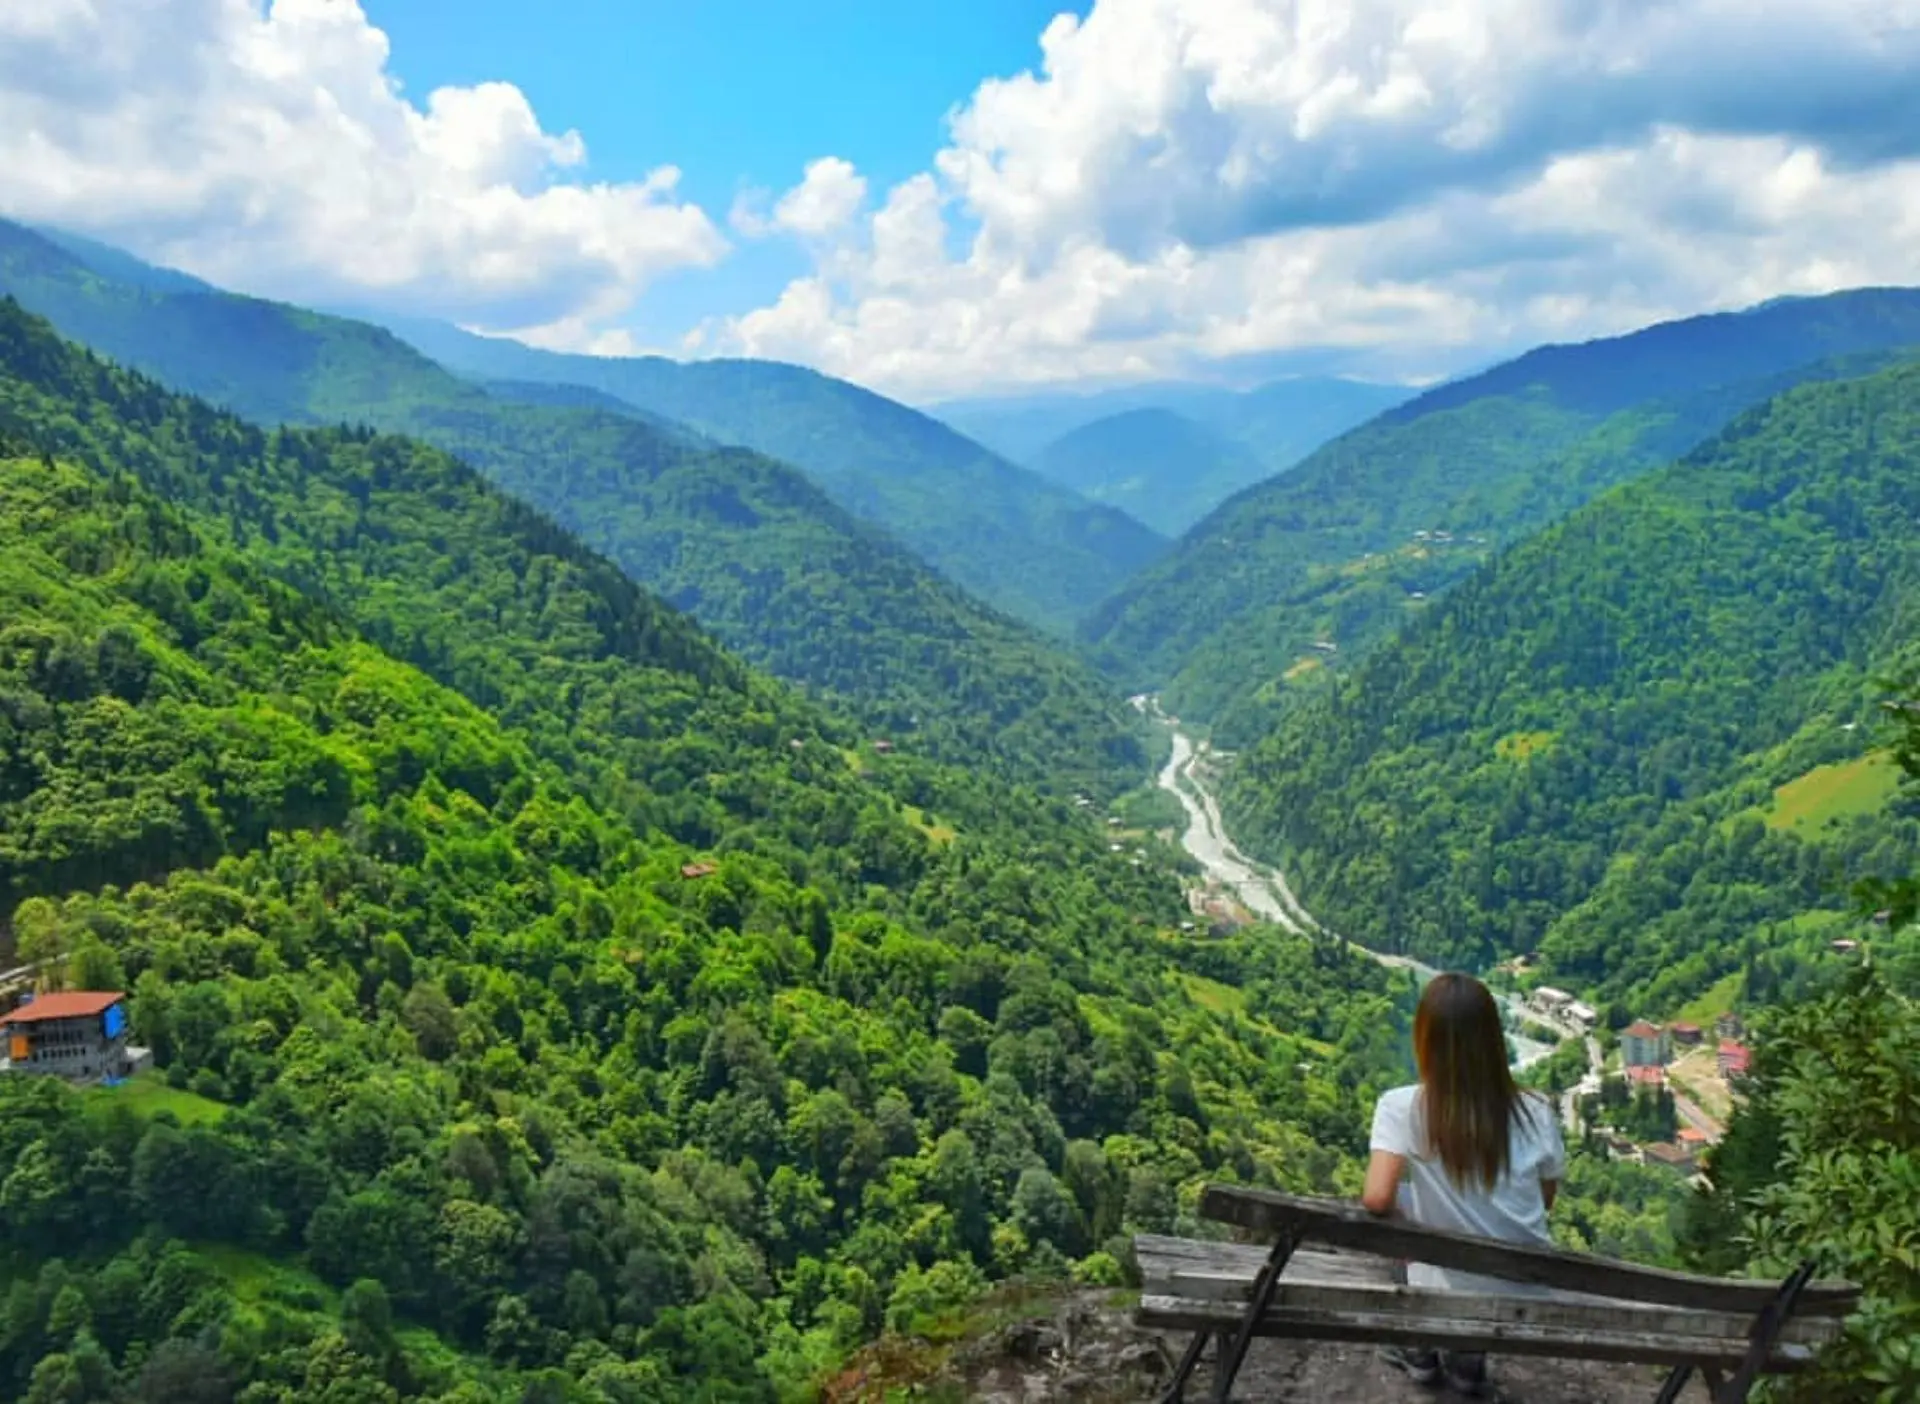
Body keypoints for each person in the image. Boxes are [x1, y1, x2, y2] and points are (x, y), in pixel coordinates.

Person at [1361, 972, 1566, 1397]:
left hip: (1448, 1280)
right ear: (1494, 1040)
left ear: (1426, 1039)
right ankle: (1468, 1365)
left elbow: (1376, 1199)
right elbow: (1542, 1204)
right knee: (1473, 1234)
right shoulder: (1536, 1110)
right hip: (1526, 1288)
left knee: (1402, 1215)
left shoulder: (1401, 1106)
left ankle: (1419, 1351)